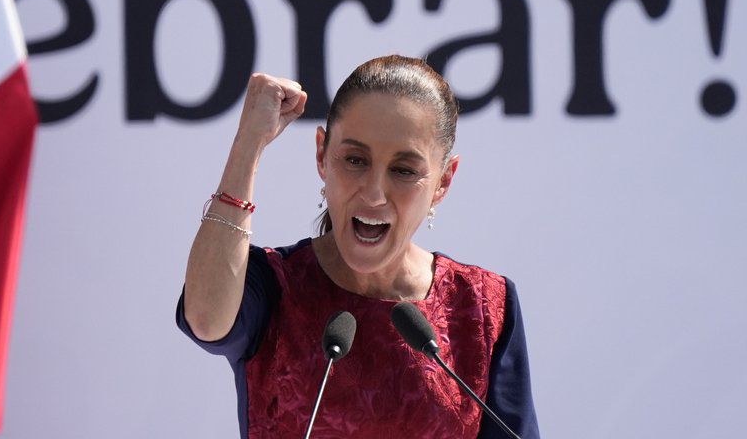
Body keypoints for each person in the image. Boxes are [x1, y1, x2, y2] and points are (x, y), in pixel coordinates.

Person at [177, 55, 539, 439]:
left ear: (443, 181)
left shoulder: (482, 306)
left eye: (403, 170)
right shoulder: (274, 285)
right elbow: (206, 321)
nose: (374, 193)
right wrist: (249, 142)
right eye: (355, 160)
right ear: (322, 155)